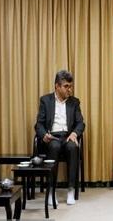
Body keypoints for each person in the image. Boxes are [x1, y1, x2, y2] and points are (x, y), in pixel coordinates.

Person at [35, 70, 85, 205]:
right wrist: (44, 135)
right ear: (57, 86)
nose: (69, 89)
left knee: (73, 147)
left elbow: (80, 123)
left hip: (68, 136)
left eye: (71, 86)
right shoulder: (46, 100)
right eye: (66, 86)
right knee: (54, 146)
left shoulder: (74, 102)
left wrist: (75, 133)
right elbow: (39, 124)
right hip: (53, 137)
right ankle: (51, 191)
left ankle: (71, 190)